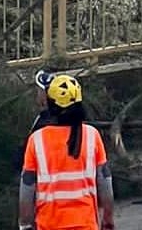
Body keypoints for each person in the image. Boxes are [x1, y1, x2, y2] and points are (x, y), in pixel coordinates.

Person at [19, 73, 114, 230]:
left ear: (50, 105)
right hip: (86, 224)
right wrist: (108, 222)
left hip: (49, 225)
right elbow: (105, 184)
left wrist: (25, 225)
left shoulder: (36, 140)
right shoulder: (92, 136)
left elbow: (27, 188)